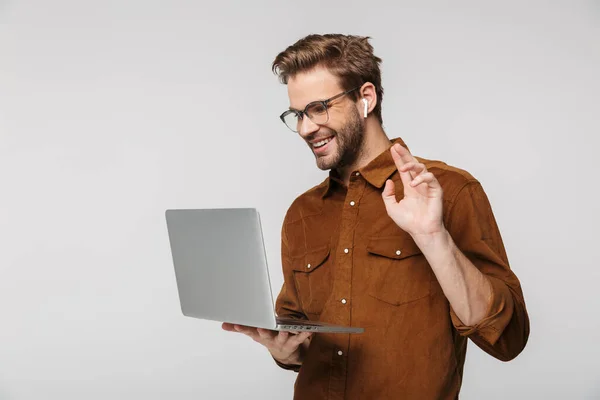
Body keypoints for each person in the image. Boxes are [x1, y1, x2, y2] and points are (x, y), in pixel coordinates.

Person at [222, 33, 530, 399]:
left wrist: (433, 237)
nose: (305, 128)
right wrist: (285, 351)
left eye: (319, 108)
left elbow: (507, 339)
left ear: (365, 98)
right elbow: (302, 335)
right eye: (298, 114)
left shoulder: (451, 190)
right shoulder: (302, 214)